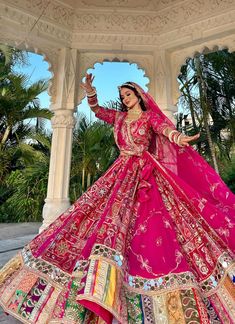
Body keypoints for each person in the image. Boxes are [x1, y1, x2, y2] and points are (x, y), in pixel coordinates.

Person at [0, 74, 234, 324]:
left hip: (147, 171)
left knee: (159, 222)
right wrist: (91, 93)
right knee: (97, 216)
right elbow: (98, 111)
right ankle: (96, 287)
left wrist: (181, 138)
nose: (125, 99)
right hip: (121, 171)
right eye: (122, 96)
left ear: (139, 96)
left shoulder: (149, 117)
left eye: (128, 95)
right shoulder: (119, 117)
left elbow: (166, 131)